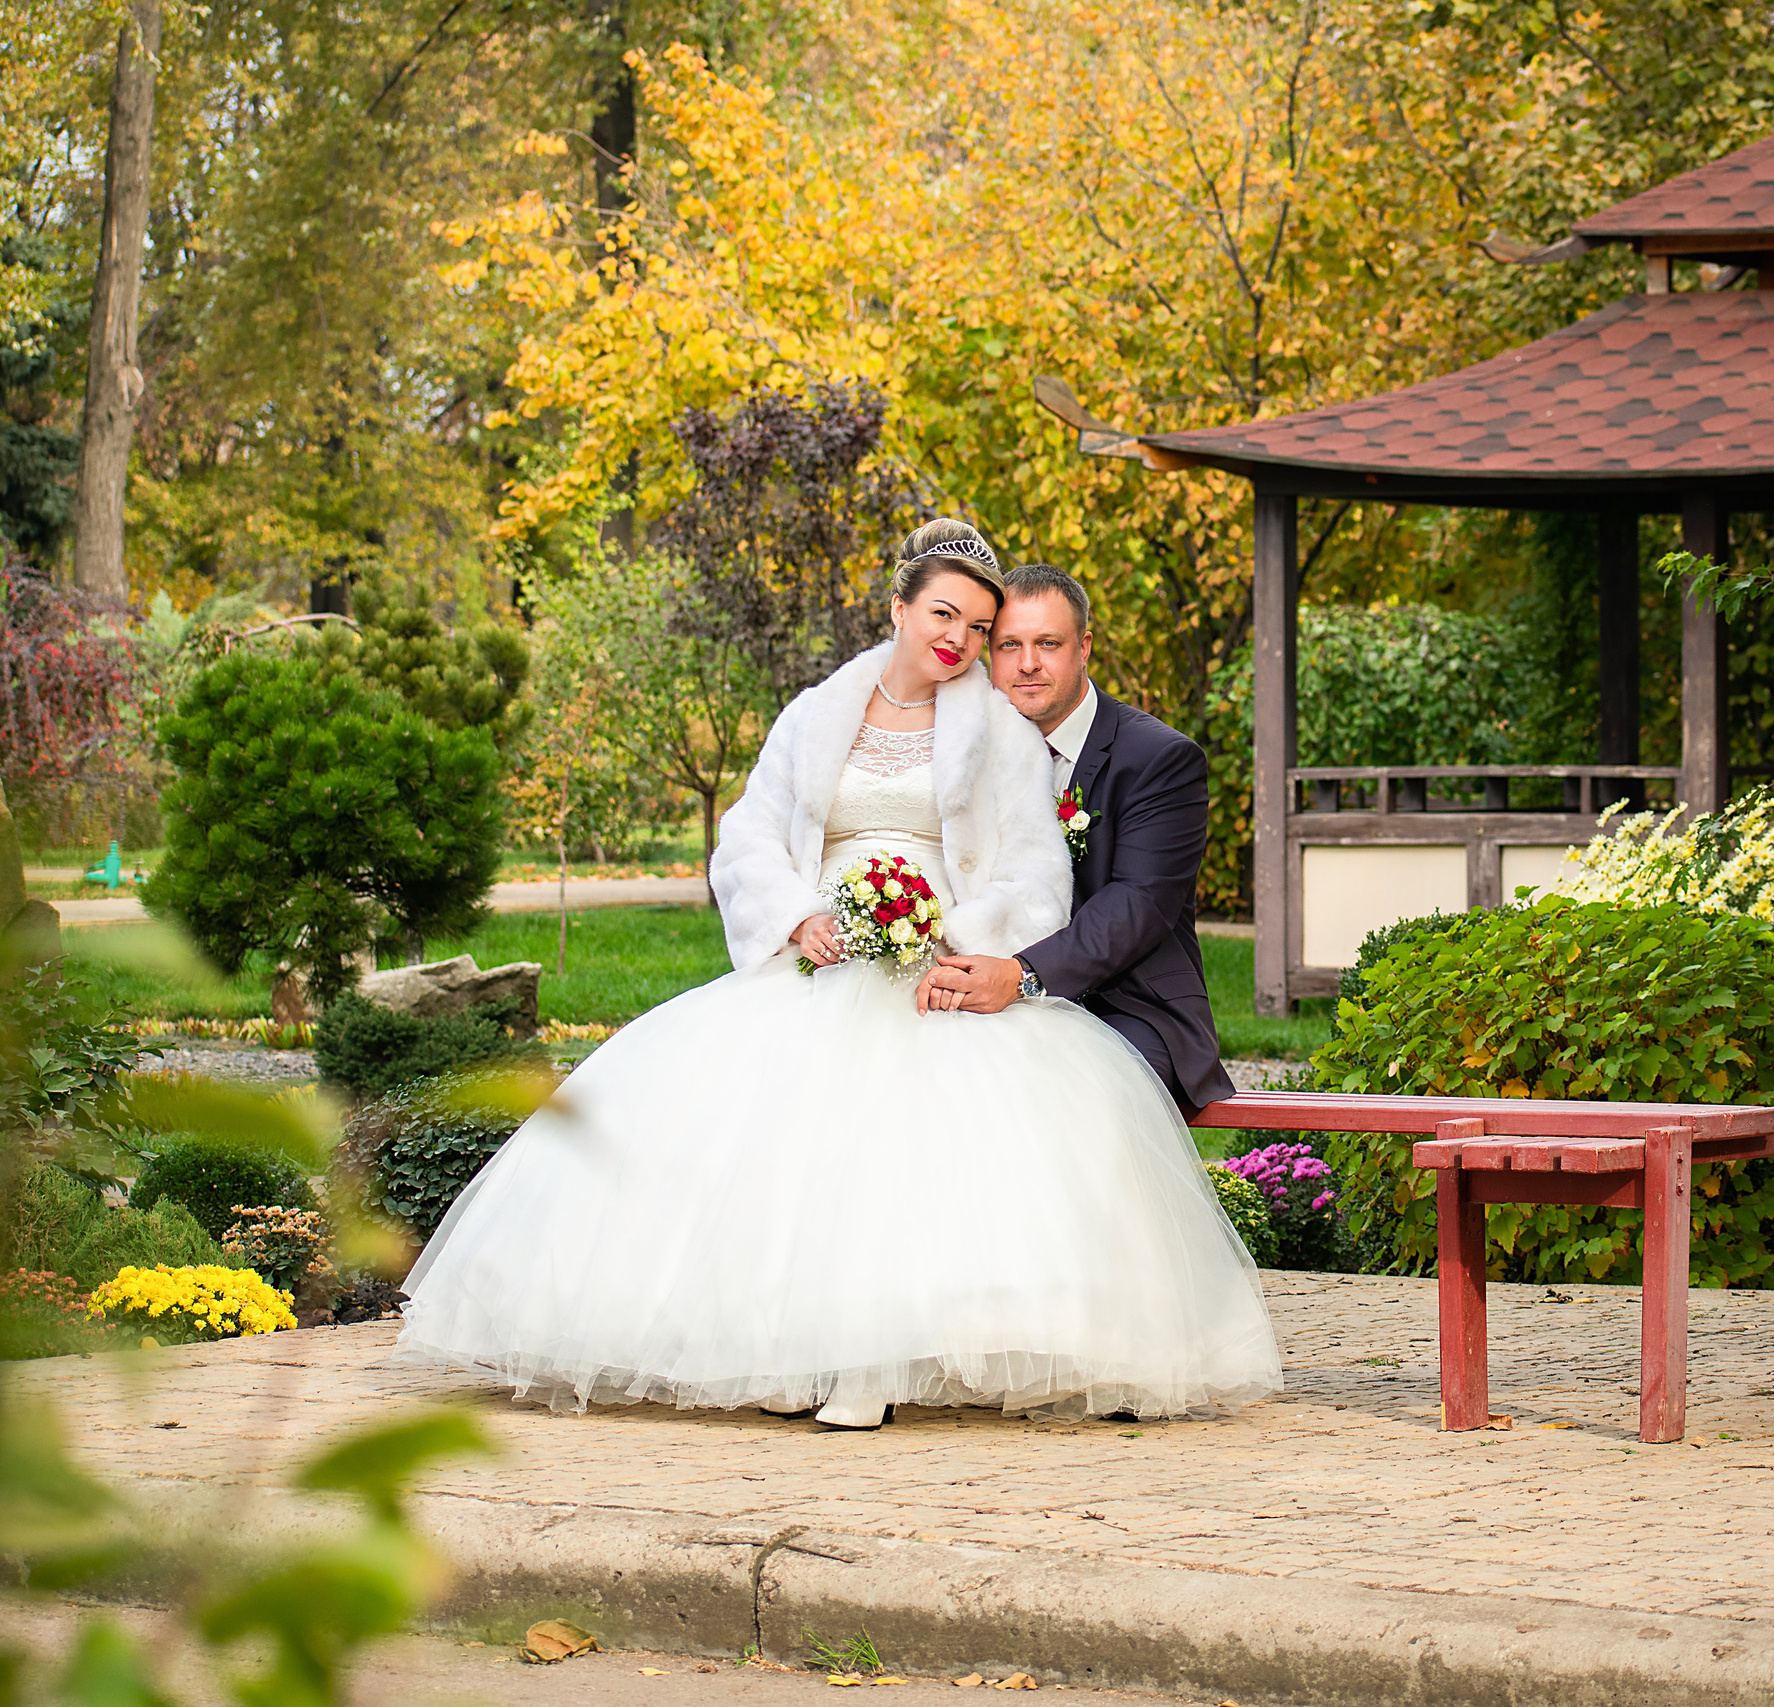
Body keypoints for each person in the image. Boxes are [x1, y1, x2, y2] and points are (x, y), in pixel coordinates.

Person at [395, 520, 1281, 1430]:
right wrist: (798, 915)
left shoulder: (999, 732)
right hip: (818, 959)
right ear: (899, 607)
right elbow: (746, 834)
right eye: (949, 616)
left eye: (980, 628)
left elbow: (1036, 872)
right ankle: (772, 1348)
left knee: (912, 1137)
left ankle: (874, 1358)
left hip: (931, 962)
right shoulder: (817, 714)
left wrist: (950, 933)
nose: (962, 642)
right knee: (761, 1132)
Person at [917, 565, 1233, 1113]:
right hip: (987, 988)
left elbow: (1137, 906)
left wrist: (1020, 975)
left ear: (1084, 647)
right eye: (1009, 645)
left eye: (1048, 643)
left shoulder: (1159, 759)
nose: (1028, 663)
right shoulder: (962, 748)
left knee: (1058, 1102)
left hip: (1127, 1004)